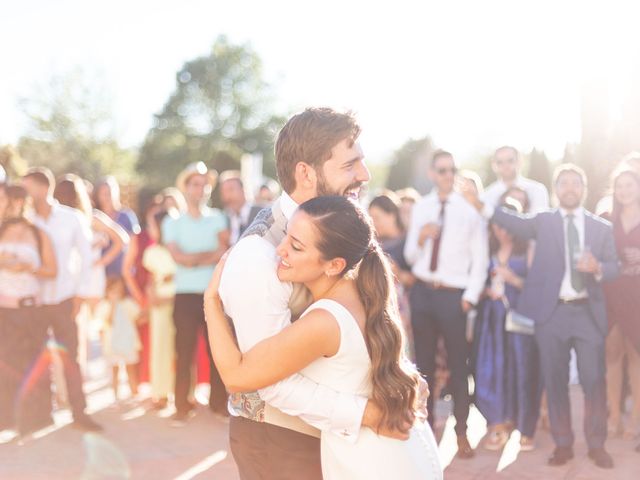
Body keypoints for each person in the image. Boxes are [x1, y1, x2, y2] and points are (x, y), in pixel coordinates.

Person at [214, 108, 424, 480]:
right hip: (282, 443)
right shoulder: (258, 255)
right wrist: (368, 414)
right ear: (306, 173)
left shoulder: (341, 224)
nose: (365, 174)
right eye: (350, 164)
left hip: (344, 442)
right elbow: (264, 380)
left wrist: (400, 377)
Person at [206, 196, 442, 479]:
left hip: (372, 463)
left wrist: (211, 303)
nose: (280, 250)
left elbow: (236, 376)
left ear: (333, 265)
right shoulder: (365, 294)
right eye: (287, 237)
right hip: (404, 454)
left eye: (296, 246)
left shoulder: (324, 321)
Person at [464, 163, 619, 469]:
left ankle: (596, 445)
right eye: (564, 183)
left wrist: (599, 268)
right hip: (552, 315)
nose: (570, 188)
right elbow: (512, 220)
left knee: (593, 381)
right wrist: (481, 204)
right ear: (556, 189)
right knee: (555, 380)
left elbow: (614, 266)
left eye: (576, 182)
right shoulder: (543, 222)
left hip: (588, 313)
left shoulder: (602, 228)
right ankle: (563, 444)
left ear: (584, 189)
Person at [404, 149, 489, 458]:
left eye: (452, 170)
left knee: (457, 367)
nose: (447, 175)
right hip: (424, 292)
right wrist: (423, 237)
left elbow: (481, 259)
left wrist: (469, 298)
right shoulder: (422, 207)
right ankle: (425, 431)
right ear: (431, 173)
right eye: (441, 170)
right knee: (423, 366)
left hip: (454, 296)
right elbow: (412, 257)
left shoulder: (469, 211)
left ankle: (461, 433)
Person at [22, 167, 102, 431]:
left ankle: (80, 413)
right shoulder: (26, 220)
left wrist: (81, 294)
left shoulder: (72, 218)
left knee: (71, 360)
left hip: (66, 298)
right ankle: (43, 414)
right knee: (38, 358)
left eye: (28, 186)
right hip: (34, 300)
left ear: (44, 187)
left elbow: (87, 258)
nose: (25, 193)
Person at [162, 161, 229, 425]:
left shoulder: (218, 217)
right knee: (184, 350)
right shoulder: (172, 221)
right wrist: (206, 257)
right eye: (195, 184)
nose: (200, 189)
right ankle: (181, 405)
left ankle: (219, 403)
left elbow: (223, 251)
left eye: (204, 184)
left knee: (217, 351)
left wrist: (194, 259)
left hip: (212, 294)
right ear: (185, 186)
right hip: (185, 295)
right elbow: (178, 258)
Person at [475, 188, 541, 452]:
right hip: (492, 317)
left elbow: (537, 285)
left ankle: (525, 426)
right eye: (497, 225)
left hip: (519, 316)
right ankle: (497, 422)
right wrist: (484, 290)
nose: (502, 230)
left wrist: (513, 279)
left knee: (522, 370)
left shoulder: (528, 250)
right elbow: (474, 281)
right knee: (491, 369)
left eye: (506, 224)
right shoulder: (485, 248)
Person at [0, 184, 57, 436]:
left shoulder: (37, 233)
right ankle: (7, 418)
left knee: (34, 364)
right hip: (4, 309)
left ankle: (36, 418)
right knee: (6, 365)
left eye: (19, 200)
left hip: (31, 308)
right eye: (10, 200)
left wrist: (27, 267)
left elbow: (51, 270)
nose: (15, 205)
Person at [602, 168, 640, 440]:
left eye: (630, 185)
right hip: (611, 295)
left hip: (637, 295)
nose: (625, 190)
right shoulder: (607, 221)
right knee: (612, 356)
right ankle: (614, 414)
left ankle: (635, 418)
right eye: (620, 186)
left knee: (636, 358)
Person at [53, 175, 129, 309]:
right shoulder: (56, 219)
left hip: (90, 276)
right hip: (67, 276)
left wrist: (100, 262)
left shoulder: (92, 218)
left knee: (91, 322)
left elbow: (121, 240)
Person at [142, 208, 177, 409]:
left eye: (152, 225)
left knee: (180, 349)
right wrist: (151, 295)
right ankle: (161, 392)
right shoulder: (152, 252)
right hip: (159, 304)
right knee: (160, 348)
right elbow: (150, 278)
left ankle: (184, 391)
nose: (149, 229)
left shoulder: (179, 249)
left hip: (177, 302)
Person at [95, 277, 142, 402]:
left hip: (128, 342)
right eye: (113, 290)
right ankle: (115, 396)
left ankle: (134, 394)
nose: (116, 293)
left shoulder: (128, 303)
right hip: (112, 344)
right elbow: (107, 322)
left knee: (131, 369)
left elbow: (138, 317)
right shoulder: (104, 305)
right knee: (114, 371)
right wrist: (113, 305)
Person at [93, 176, 140, 279]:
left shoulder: (127, 215)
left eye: (109, 192)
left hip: (122, 275)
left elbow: (133, 246)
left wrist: (126, 269)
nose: (107, 196)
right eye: (103, 193)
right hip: (101, 274)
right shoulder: (95, 217)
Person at [481, 146, 549, 213]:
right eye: (500, 162)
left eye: (510, 160)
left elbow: (540, 221)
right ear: (493, 165)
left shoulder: (537, 190)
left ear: (519, 161)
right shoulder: (486, 196)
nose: (505, 165)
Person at [218, 170, 262, 245]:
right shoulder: (224, 219)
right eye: (224, 192)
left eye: (231, 189)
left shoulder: (261, 214)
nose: (227, 196)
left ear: (243, 190)